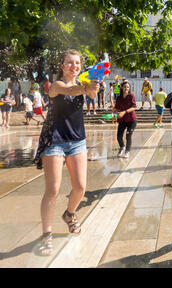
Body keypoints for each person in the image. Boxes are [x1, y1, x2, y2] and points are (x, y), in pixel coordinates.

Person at [33, 49, 99, 256]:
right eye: (69, 63)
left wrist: (94, 85)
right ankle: (46, 235)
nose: (74, 66)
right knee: (52, 190)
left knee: (80, 187)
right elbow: (71, 92)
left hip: (77, 141)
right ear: (61, 66)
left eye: (77, 63)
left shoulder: (83, 84)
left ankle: (69, 214)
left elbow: (92, 93)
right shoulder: (56, 86)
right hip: (55, 141)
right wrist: (87, 86)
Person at [113, 81, 137, 159]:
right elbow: (116, 108)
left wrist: (124, 112)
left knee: (128, 136)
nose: (126, 88)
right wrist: (115, 111)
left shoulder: (131, 96)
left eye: (127, 87)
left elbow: (134, 107)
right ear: (122, 88)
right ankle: (122, 147)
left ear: (129, 88)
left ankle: (127, 151)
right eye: (125, 87)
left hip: (131, 119)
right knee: (119, 137)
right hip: (122, 120)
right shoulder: (119, 98)